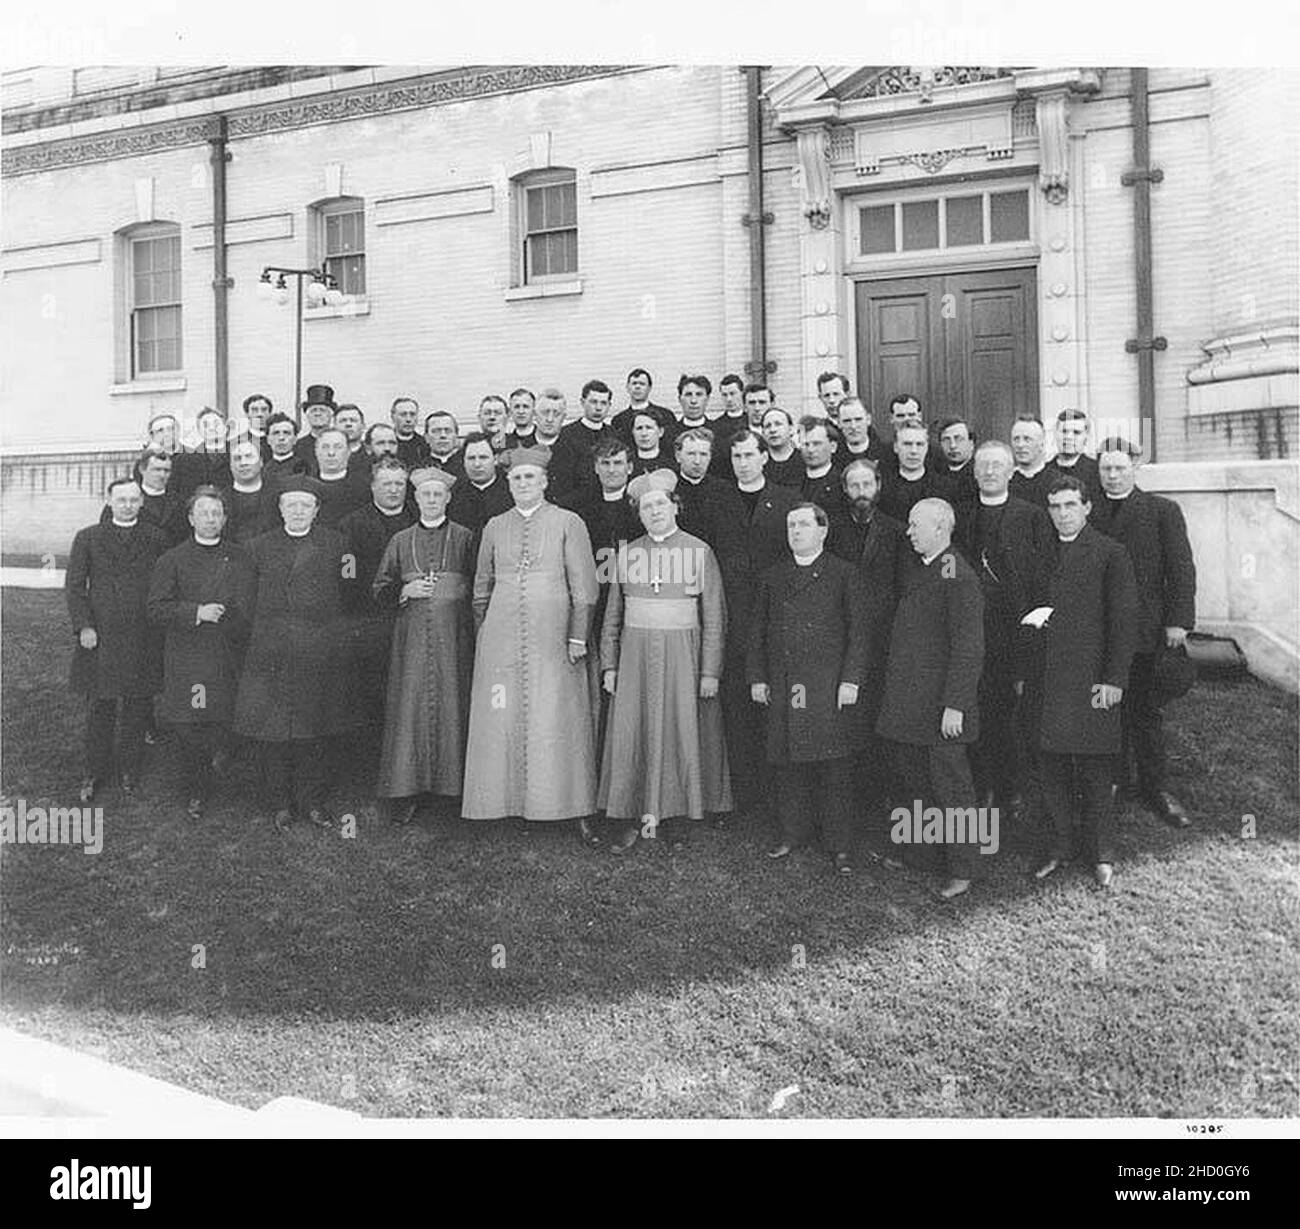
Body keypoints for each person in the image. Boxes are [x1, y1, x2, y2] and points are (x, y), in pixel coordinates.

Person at [461, 447, 601, 825]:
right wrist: (484, 634)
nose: (523, 483)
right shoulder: (494, 525)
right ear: (508, 483)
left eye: (530, 477)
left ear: (544, 482)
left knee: (556, 716)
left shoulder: (569, 521)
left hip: (554, 634)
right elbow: (480, 588)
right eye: (516, 478)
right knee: (500, 713)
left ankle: (569, 807)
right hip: (500, 636)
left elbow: (585, 587)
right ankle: (501, 804)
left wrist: (577, 636)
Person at [598, 470, 731, 851]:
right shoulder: (624, 553)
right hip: (635, 657)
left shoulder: (699, 550)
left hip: (683, 658)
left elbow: (715, 617)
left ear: (675, 506)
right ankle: (630, 814)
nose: (654, 511)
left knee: (679, 730)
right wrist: (609, 665)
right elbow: (612, 615)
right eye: (645, 506)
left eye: (660, 503)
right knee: (632, 732)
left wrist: (710, 671)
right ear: (638, 514)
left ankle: (674, 816)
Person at [1027, 475, 1139, 888]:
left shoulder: (1111, 554)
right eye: (1054, 507)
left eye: (1070, 505)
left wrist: (1114, 679)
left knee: (1094, 772)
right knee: (1052, 768)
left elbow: (1124, 623)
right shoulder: (1042, 552)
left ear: (1087, 507)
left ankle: (1102, 854)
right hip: (1047, 681)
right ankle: (1060, 848)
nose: (1062, 514)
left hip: (1092, 681)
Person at [233, 474, 357, 829]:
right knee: (273, 730)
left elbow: (349, 591)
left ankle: (313, 800)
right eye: (292, 505)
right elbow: (244, 602)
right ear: (281, 508)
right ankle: (279, 802)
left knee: (314, 728)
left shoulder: (339, 545)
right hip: (271, 651)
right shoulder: (257, 547)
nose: (298, 511)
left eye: (306, 505)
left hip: (318, 649)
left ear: (317, 510)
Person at [877, 498, 985, 900]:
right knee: (916, 783)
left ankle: (963, 868)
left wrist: (955, 704)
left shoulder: (957, 574)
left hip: (941, 707)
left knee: (951, 789)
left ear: (940, 528)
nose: (908, 532)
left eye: (915, 526)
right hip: (911, 703)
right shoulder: (927, 568)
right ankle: (921, 854)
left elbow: (968, 647)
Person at [750, 502, 866, 874]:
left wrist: (851, 680)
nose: (796, 531)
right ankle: (792, 832)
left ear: (823, 530)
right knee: (788, 763)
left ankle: (840, 844)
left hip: (827, 684)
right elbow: (758, 633)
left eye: (803, 525)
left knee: (834, 767)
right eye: (791, 525)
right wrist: (757, 677)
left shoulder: (843, 574)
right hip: (785, 681)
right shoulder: (773, 576)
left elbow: (860, 635)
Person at [1092, 437, 1197, 827]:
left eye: (1121, 468)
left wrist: (1178, 621)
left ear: (1136, 468)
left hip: (1145, 631)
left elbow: (1181, 569)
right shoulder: (1086, 510)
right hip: (1100, 631)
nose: (1114, 475)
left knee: (1145, 712)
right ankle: (1114, 783)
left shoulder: (1161, 511)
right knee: (1107, 712)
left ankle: (1156, 788)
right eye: (1106, 468)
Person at [954, 441, 1054, 816]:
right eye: (984, 465)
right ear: (974, 471)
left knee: (1011, 714)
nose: (991, 472)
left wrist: (1034, 626)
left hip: (1015, 632)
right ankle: (983, 787)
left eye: (998, 465)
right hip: (972, 630)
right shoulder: (962, 515)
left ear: (1012, 471)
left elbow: (1045, 576)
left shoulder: (1032, 516)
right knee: (976, 709)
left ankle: (1012, 787)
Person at [372, 466, 477, 822]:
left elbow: (479, 584)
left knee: (453, 703)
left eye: (437, 494)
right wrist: (404, 589)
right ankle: (409, 789)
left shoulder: (465, 536)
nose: (431, 500)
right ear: (415, 499)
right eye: (425, 495)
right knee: (411, 707)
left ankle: (454, 790)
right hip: (413, 640)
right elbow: (379, 586)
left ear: (447, 498)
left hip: (454, 638)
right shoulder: (401, 539)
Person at [146, 486, 253, 819]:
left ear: (224, 518)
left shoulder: (241, 556)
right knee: (192, 723)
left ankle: (221, 767)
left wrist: (236, 618)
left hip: (229, 653)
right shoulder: (172, 559)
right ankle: (197, 790)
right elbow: (156, 608)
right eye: (204, 513)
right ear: (191, 518)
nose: (210, 519)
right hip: (190, 657)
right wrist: (196, 612)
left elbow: (250, 601)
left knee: (225, 718)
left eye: (217, 513)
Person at [67, 478, 170, 801]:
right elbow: (74, 587)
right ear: (109, 501)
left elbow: (165, 586)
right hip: (102, 636)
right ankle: (94, 771)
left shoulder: (157, 538)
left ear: (142, 502)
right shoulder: (88, 538)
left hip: (143, 635)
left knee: (138, 706)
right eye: (121, 499)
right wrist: (84, 626)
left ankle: (130, 769)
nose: (127, 505)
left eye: (133, 499)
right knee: (101, 706)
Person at [717, 429, 801, 823]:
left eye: (750, 455)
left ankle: (778, 799)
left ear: (764, 457)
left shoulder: (787, 501)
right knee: (736, 710)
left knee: (775, 708)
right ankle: (742, 797)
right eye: (736, 456)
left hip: (776, 618)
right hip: (732, 618)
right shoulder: (718, 498)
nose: (743, 462)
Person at [826, 457, 907, 839]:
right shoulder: (835, 531)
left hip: (886, 638)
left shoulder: (895, 531)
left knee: (883, 716)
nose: (861, 493)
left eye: (867, 485)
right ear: (845, 490)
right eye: (853, 486)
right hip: (842, 636)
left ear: (878, 487)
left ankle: (884, 798)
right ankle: (852, 800)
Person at [337, 457, 417, 730]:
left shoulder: (418, 519)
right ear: (373, 487)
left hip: (412, 623)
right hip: (370, 622)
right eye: (386, 484)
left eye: (399, 484)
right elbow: (347, 576)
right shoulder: (352, 525)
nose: (393, 490)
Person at [547, 379, 617, 510]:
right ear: (582, 402)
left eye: (603, 403)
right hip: (577, 505)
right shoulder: (566, 435)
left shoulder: (614, 434)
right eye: (593, 402)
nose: (598, 408)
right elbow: (561, 479)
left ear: (609, 405)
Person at [447, 431, 512, 542]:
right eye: (471, 458)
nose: (477, 464)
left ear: (495, 459)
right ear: (463, 461)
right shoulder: (453, 495)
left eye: (483, 457)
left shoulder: (511, 492)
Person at [878, 423, 939, 523]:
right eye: (907, 444)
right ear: (896, 447)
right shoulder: (881, 487)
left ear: (927, 448)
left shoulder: (943, 487)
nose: (914, 451)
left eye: (919, 444)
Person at [225, 437, 281, 543]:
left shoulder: (278, 496)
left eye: (249, 457)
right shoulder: (221, 500)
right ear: (230, 465)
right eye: (237, 458)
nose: (243, 463)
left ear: (261, 462)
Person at [312, 427, 370, 527]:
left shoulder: (363, 487)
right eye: (325, 447)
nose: (331, 453)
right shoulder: (306, 487)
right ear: (316, 451)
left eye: (338, 447)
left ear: (348, 452)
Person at [1048, 408, 1101, 503]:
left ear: (1086, 437)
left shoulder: (1098, 472)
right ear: (1055, 434)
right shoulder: (1045, 471)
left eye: (1076, 433)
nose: (1069, 437)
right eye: (1064, 432)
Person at [798, 416, 846, 518]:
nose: (810, 450)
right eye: (805, 444)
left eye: (817, 444)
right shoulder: (792, 481)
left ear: (833, 447)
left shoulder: (842, 483)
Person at [610, 367, 676, 441]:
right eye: (634, 383)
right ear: (627, 388)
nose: (637, 387)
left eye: (642, 384)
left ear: (649, 388)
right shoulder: (618, 420)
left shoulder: (666, 415)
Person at [707, 375, 751, 479]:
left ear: (742, 393)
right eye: (724, 395)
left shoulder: (750, 421)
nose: (729, 399)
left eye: (732, 394)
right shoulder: (715, 426)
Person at [1009, 414, 1052, 508]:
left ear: (1042, 444)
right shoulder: (1006, 481)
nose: (1020, 445)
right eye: (1016, 439)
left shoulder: (1057, 481)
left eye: (1027, 439)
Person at [293, 383, 337, 473]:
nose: (318, 414)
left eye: (322, 410)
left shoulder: (340, 443)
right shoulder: (298, 446)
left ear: (331, 415)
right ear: (307, 415)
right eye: (314, 410)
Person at [760, 407, 805, 488]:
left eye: (778, 424)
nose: (772, 430)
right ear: (763, 433)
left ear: (791, 429)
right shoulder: (758, 463)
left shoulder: (805, 459)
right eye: (767, 426)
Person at [837, 397, 888, 466]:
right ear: (839, 423)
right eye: (847, 421)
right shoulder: (832, 457)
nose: (853, 426)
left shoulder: (886, 454)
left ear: (868, 420)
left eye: (858, 419)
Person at [264, 412, 308, 483]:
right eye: (276, 433)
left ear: (295, 439)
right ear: (268, 439)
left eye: (286, 433)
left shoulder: (305, 467)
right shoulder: (263, 470)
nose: (281, 438)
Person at [391, 396, 429, 471]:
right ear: (393, 417)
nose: (408, 419)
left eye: (412, 414)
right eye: (403, 414)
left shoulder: (424, 445)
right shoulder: (386, 443)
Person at [628, 409, 668, 476]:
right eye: (639, 428)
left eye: (649, 428)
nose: (644, 433)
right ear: (633, 432)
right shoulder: (626, 463)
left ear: (661, 432)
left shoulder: (671, 464)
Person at [423, 410, 463, 475]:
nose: (443, 435)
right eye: (436, 431)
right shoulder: (418, 468)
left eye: (448, 431)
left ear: (456, 436)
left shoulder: (467, 466)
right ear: (426, 437)